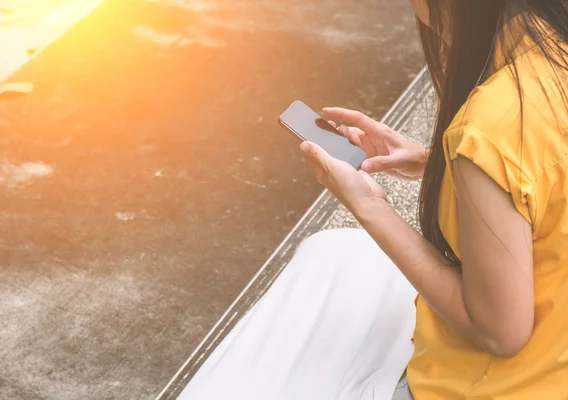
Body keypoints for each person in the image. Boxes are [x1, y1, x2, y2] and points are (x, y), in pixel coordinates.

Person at [178, 1, 568, 399]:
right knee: (333, 249)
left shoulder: (491, 122)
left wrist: (369, 206)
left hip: (503, 385)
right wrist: (441, 163)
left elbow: (500, 331)